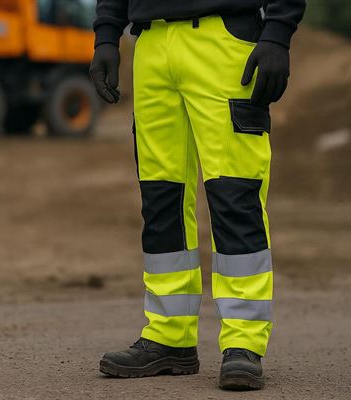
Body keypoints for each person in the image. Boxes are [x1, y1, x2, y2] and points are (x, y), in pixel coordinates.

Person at [89, 0, 305, 391]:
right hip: (151, 46)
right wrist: (106, 35)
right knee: (161, 198)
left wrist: (277, 35)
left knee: (234, 194)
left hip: (224, 39)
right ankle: (169, 336)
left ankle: (244, 341)